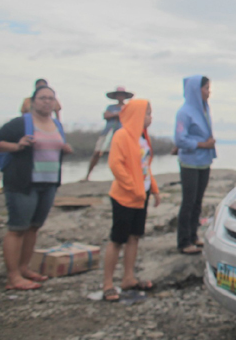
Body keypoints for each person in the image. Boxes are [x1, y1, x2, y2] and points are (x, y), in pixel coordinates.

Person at [0, 85, 73, 290]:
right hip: (23, 183)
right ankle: (13, 276)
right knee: (17, 229)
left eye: (50, 98)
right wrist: (16, 146)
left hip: (49, 183)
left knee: (33, 227)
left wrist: (65, 149)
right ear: (33, 102)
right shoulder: (21, 123)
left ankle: (24, 268)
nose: (47, 102)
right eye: (42, 98)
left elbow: (54, 148)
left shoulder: (56, 124)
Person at [101, 99, 160, 301]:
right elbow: (116, 165)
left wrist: (154, 189)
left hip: (141, 196)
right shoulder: (122, 135)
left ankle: (128, 278)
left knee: (134, 237)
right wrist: (133, 188)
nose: (150, 118)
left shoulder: (142, 137)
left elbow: (145, 167)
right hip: (124, 197)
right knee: (117, 239)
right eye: (148, 113)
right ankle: (108, 283)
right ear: (137, 115)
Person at [174, 75, 216, 255]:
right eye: (206, 88)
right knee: (188, 202)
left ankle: (193, 235)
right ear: (196, 90)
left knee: (198, 202)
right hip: (190, 163)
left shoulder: (204, 109)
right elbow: (180, 139)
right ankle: (183, 241)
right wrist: (203, 144)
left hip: (204, 162)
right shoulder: (185, 112)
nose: (208, 92)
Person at [84, 86, 134, 181]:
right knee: (97, 152)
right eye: (118, 95)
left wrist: (116, 115)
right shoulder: (111, 107)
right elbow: (106, 115)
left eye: (122, 95)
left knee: (121, 155)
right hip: (107, 132)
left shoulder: (128, 107)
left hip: (122, 134)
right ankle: (87, 176)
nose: (120, 97)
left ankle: (122, 176)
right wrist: (117, 114)